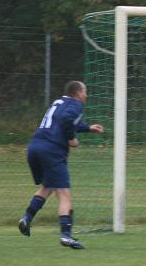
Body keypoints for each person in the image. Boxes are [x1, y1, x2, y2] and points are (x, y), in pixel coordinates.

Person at [18, 80, 105, 249]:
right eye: (85, 92)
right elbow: (67, 120)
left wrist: (87, 128)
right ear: (78, 93)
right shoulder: (76, 105)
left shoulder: (59, 102)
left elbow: (64, 121)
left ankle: (26, 218)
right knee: (64, 193)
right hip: (51, 150)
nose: (86, 95)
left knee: (48, 187)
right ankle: (66, 235)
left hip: (35, 146)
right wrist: (72, 139)